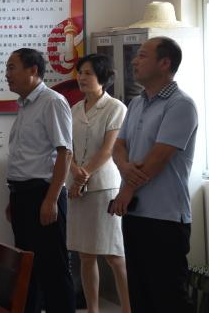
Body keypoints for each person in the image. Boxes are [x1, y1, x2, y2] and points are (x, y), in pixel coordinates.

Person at [111, 37, 197, 313]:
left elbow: (159, 157)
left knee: (168, 298)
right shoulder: (137, 103)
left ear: (164, 63)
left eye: (142, 56)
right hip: (135, 214)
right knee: (140, 295)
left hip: (165, 217)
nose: (134, 61)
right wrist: (124, 167)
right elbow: (119, 146)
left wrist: (126, 190)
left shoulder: (181, 105)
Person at [4, 47, 75, 313]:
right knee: (27, 269)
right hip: (22, 195)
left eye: (12, 67)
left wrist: (51, 199)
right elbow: (25, 156)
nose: (7, 74)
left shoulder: (52, 101)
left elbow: (65, 152)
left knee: (53, 270)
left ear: (33, 70)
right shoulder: (24, 104)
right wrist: (13, 197)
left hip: (43, 194)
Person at [66, 54, 130, 313]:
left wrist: (83, 175)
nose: (82, 77)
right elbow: (67, 148)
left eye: (88, 73)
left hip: (104, 188)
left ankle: (127, 308)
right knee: (85, 254)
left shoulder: (116, 107)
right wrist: (75, 172)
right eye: (80, 72)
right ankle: (93, 310)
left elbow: (108, 150)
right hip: (76, 188)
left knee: (114, 254)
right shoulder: (74, 109)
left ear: (102, 77)